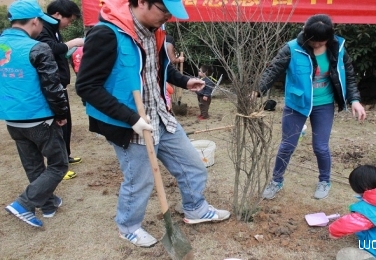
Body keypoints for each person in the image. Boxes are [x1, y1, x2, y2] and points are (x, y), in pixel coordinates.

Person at [75, 0, 230, 248]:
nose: (168, 17)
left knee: (193, 165)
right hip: (128, 122)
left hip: (159, 114)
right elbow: (86, 87)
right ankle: (128, 227)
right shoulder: (106, 34)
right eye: (165, 10)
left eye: (171, 13)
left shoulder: (156, 31)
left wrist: (184, 81)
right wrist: (131, 118)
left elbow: (157, 70)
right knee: (140, 181)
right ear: (143, 2)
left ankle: (195, 209)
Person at [256, 14, 366, 200]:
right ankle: (276, 181)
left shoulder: (337, 48)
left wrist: (354, 99)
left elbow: (348, 73)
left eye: (320, 42)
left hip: (324, 104)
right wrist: (257, 90)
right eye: (313, 41)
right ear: (306, 34)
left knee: (321, 147)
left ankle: (324, 181)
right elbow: (273, 70)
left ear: (329, 38)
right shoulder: (292, 48)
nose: (316, 45)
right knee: (287, 145)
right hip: (297, 104)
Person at [0, 0, 69, 227]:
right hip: (39, 117)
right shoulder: (38, 48)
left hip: (12, 118)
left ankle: (47, 205)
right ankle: (24, 203)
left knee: (33, 165)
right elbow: (53, 86)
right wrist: (61, 113)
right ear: (35, 21)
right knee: (58, 165)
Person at [35, 0, 84, 180]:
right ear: (57, 14)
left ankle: (65, 156)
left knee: (66, 123)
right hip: (51, 86)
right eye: (68, 20)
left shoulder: (54, 30)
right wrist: (73, 43)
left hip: (60, 85)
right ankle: (58, 165)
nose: (69, 24)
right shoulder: (42, 29)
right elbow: (50, 49)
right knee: (56, 126)